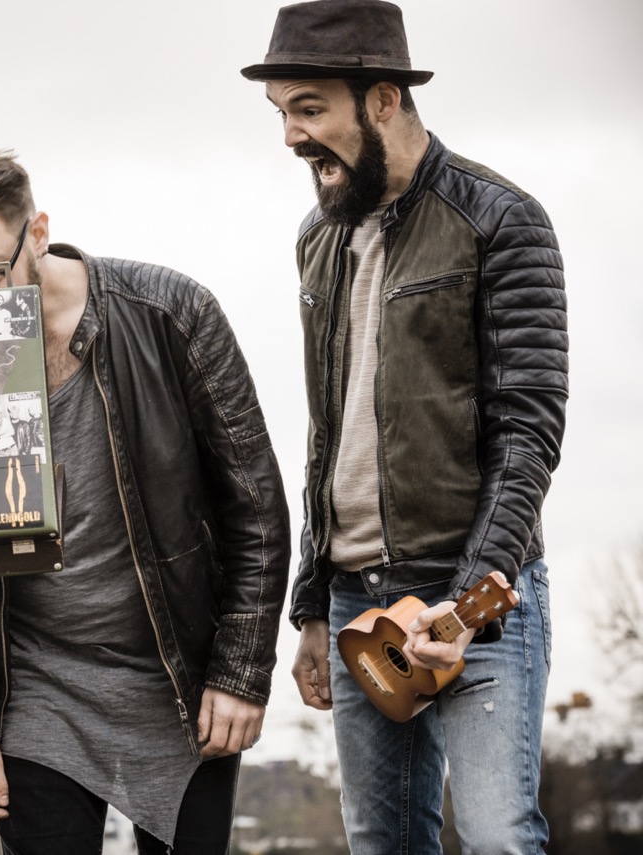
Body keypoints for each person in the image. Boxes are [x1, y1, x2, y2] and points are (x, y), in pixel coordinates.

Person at [241, 2, 568, 852]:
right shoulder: (318, 239)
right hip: (358, 606)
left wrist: (469, 594)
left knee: (499, 838)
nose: (291, 136)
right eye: (282, 112)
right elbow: (328, 436)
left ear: (383, 99)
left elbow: (529, 429)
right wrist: (313, 606)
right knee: (380, 842)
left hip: (479, 598)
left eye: (310, 108)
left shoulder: (501, 219)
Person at [0, 145, 291, 854]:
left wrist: (241, 671)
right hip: (34, 690)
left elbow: (256, 507)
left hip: (177, 683)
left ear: (39, 233)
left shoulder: (173, 312)